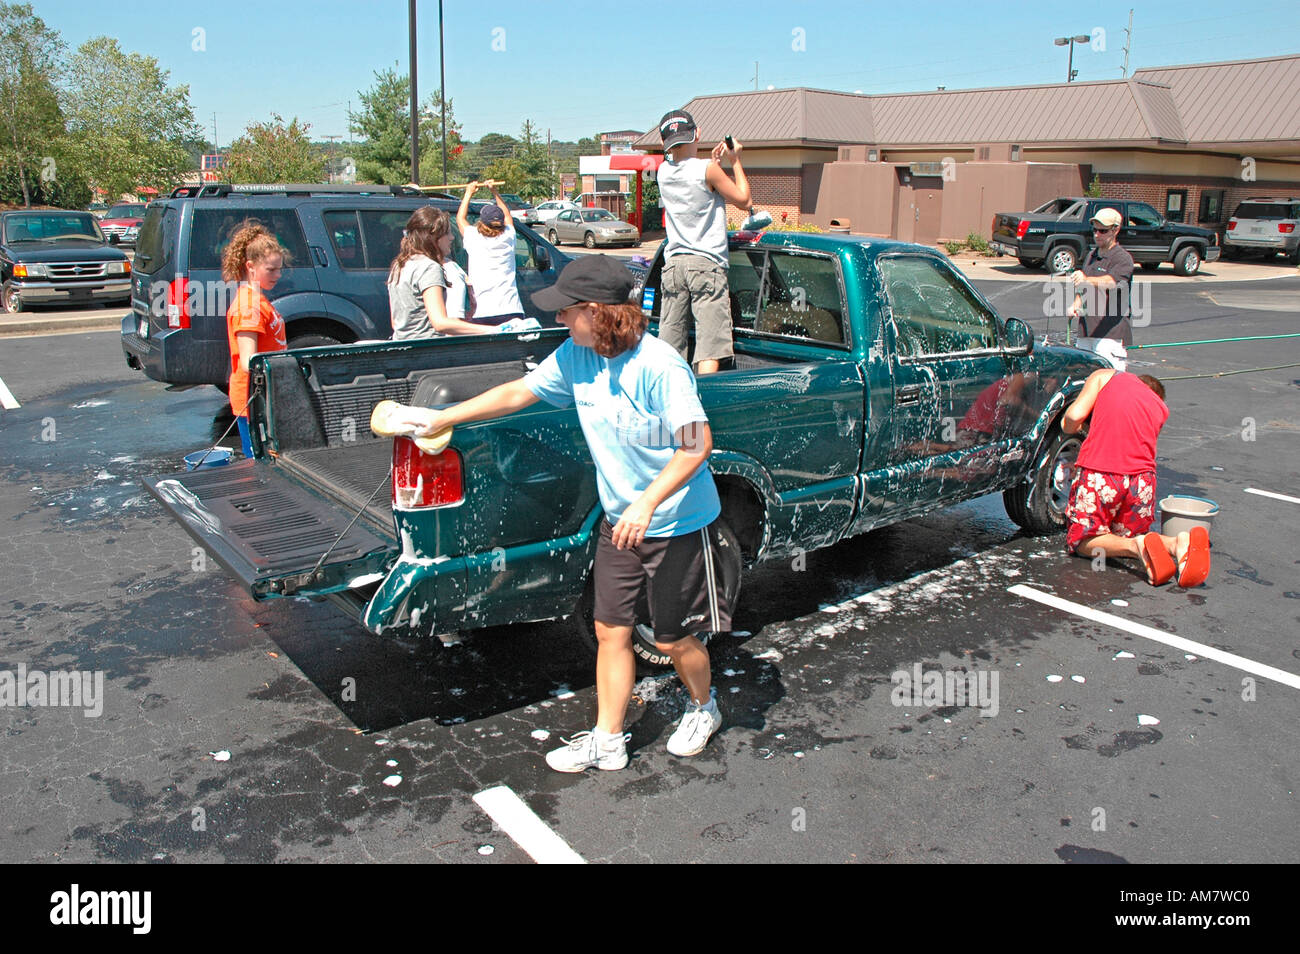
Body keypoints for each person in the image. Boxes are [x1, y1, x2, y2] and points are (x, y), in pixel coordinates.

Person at [386, 254, 732, 771]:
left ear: (597, 312)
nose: (558, 318)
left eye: (566, 310)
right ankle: (608, 740)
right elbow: (517, 393)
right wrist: (441, 418)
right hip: (620, 522)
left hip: (675, 523)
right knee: (610, 631)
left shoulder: (660, 367)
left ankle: (704, 707)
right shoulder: (577, 353)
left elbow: (695, 445)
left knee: (672, 637)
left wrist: (646, 502)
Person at [1062, 368, 1209, 587]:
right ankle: (1176, 543)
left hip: (1102, 473)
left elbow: (1074, 416)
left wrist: (1069, 427)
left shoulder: (1106, 376)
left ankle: (1137, 546)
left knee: (1082, 541)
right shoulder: (1161, 409)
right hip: (1142, 482)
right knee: (1120, 537)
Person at [655, 108, 751, 374]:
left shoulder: (663, 172)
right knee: (710, 346)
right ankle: (704, 397)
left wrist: (714, 165)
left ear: (664, 142)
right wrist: (735, 160)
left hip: (674, 265)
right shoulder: (707, 170)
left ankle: (669, 395)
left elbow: (695, 183)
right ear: (697, 133)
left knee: (670, 344)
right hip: (706, 265)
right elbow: (745, 200)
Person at [222, 220, 288, 458]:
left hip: (266, 396)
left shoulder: (258, 300)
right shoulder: (248, 306)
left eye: (279, 269)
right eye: (271, 270)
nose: (277, 275)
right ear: (250, 266)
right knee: (260, 463)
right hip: (255, 400)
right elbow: (249, 361)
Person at [387, 206, 484, 339]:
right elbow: (440, 323)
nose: (452, 237)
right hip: (429, 345)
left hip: (402, 344)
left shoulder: (399, 265)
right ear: (433, 236)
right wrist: (492, 330)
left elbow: (396, 322)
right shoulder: (429, 267)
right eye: (447, 233)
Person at [1068, 207, 1134, 370]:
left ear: (1115, 230)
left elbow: (1112, 282)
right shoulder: (1092, 255)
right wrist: (1076, 304)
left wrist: (1087, 279)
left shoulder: (1123, 258)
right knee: (1084, 377)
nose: (1097, 235)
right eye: (1095, 230)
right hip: (1086, 331)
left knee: (1109, 379)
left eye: (1103, 231)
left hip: (1110, 334)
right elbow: (1084, 286)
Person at [457, 181, 525, 325]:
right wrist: (495, 191)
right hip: (511, 309)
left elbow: (460, 219)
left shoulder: (473, 237)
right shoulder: (508, 236)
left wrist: (468, 192)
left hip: (482, 312)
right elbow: (508, 216)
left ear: (482, 222)